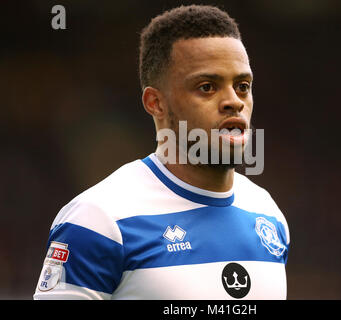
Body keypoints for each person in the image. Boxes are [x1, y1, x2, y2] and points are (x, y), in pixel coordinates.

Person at [34, 4, 290, 300]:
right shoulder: (98, 221)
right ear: (155, 102)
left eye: (243, 86)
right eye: (207, 87)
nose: (234, 101)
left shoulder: (268, 215)